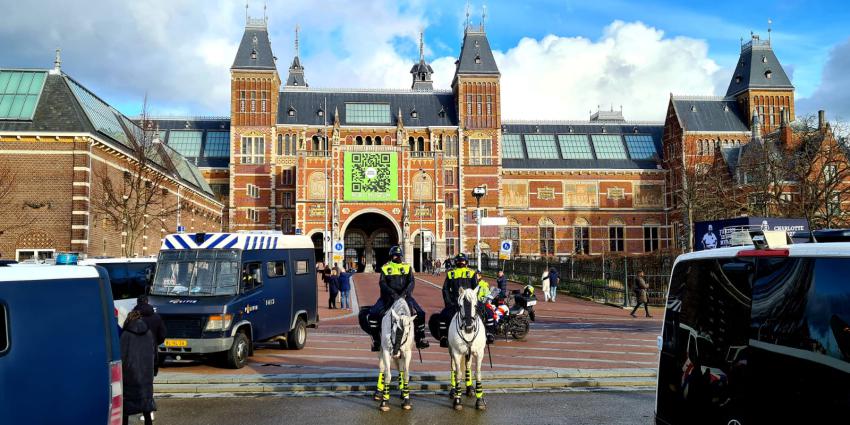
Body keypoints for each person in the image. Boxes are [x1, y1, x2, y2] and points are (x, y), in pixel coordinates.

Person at [359, 246, 429, 351]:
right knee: (373, 314)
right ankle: (376, 340)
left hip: (406, 297)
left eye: (398, 255)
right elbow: (382, 283)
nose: (397, 257)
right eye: (395, 255)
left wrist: (405, 294)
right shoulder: (385, 267)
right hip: (387, 298)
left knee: (421, 313)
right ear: (391, 256)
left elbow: (411, 282)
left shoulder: (407, 267)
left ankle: (420, 339)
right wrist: (393, 294)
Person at [429, 253, 496, 347]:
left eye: (461, 261)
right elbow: (475, 288)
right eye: (461, 261)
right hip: (463, 302)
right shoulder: (469, 273)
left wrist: (448, 302)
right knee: (489, 312)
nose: (461, 263)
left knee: (443, 316)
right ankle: (489, 334)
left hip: (459, 302)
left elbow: (446, 290)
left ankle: (444, 337)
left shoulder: (453, 273)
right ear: (466, 262)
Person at [121, 311, 155, 425]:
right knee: (146, 408)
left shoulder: (125, 334)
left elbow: (121, 356)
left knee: (125, 410)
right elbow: (155, 354)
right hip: (146, 375)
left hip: (129, 376)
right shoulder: (149, 333)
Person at [133, 295, 166, 376]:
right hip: (152, 349)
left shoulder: (132, 317)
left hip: (135, 351)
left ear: (137, 303)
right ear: (147, 302)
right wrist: (156, 342)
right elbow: (163, 334)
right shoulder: (157, 317)